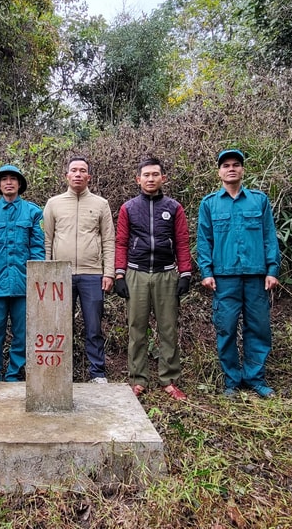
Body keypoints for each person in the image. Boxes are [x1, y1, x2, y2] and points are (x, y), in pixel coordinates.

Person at [196, 149, 281, 398]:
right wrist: (206, 271)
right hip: (224, 278)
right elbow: (204, 240)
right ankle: (232, 381)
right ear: (219, 172)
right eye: (226, 165)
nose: (231, 169)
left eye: (236, 165)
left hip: (256, 276)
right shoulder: (209, 204)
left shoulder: (259, 200)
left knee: (259, 328)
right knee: (226, 328)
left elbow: (269, 236)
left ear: (243, 170)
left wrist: (272, 270)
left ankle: (255, 378)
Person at [114, 156, 192, 400]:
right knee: (136, 327)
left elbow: (181, 240)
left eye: (155, 175)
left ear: (163, 178)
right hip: (136, 273)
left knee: (168, 328)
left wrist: (185, 273)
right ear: (138, 179)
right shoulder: (128, 207)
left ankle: (169, 379)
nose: (150, 179)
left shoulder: (173, 208)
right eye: (146, 175)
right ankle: (138, 379)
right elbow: (121, 242)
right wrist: (119, 273)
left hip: (166, 273)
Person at [43, 156, 115, 383]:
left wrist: (109, 272)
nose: (78, 174)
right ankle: (60, 372)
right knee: (60, 325)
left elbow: (109, 241)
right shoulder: (53, 203)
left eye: (82, 171)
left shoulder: (101, 204)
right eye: (73, 170)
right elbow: (46, 239)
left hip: (92, 274)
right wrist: (46, 272)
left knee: (93, 326)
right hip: (60, 274)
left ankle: (97, 373)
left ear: (89, 176)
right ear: (66, 175)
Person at [0, 165, 45, 381]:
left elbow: (38, 249)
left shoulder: (34, 212)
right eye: (4, 179)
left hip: (24, 285)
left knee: (22, 333)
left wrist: (36, 280)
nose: (9, 182)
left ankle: (14, 375)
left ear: (19, 184)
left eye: (13, 179)